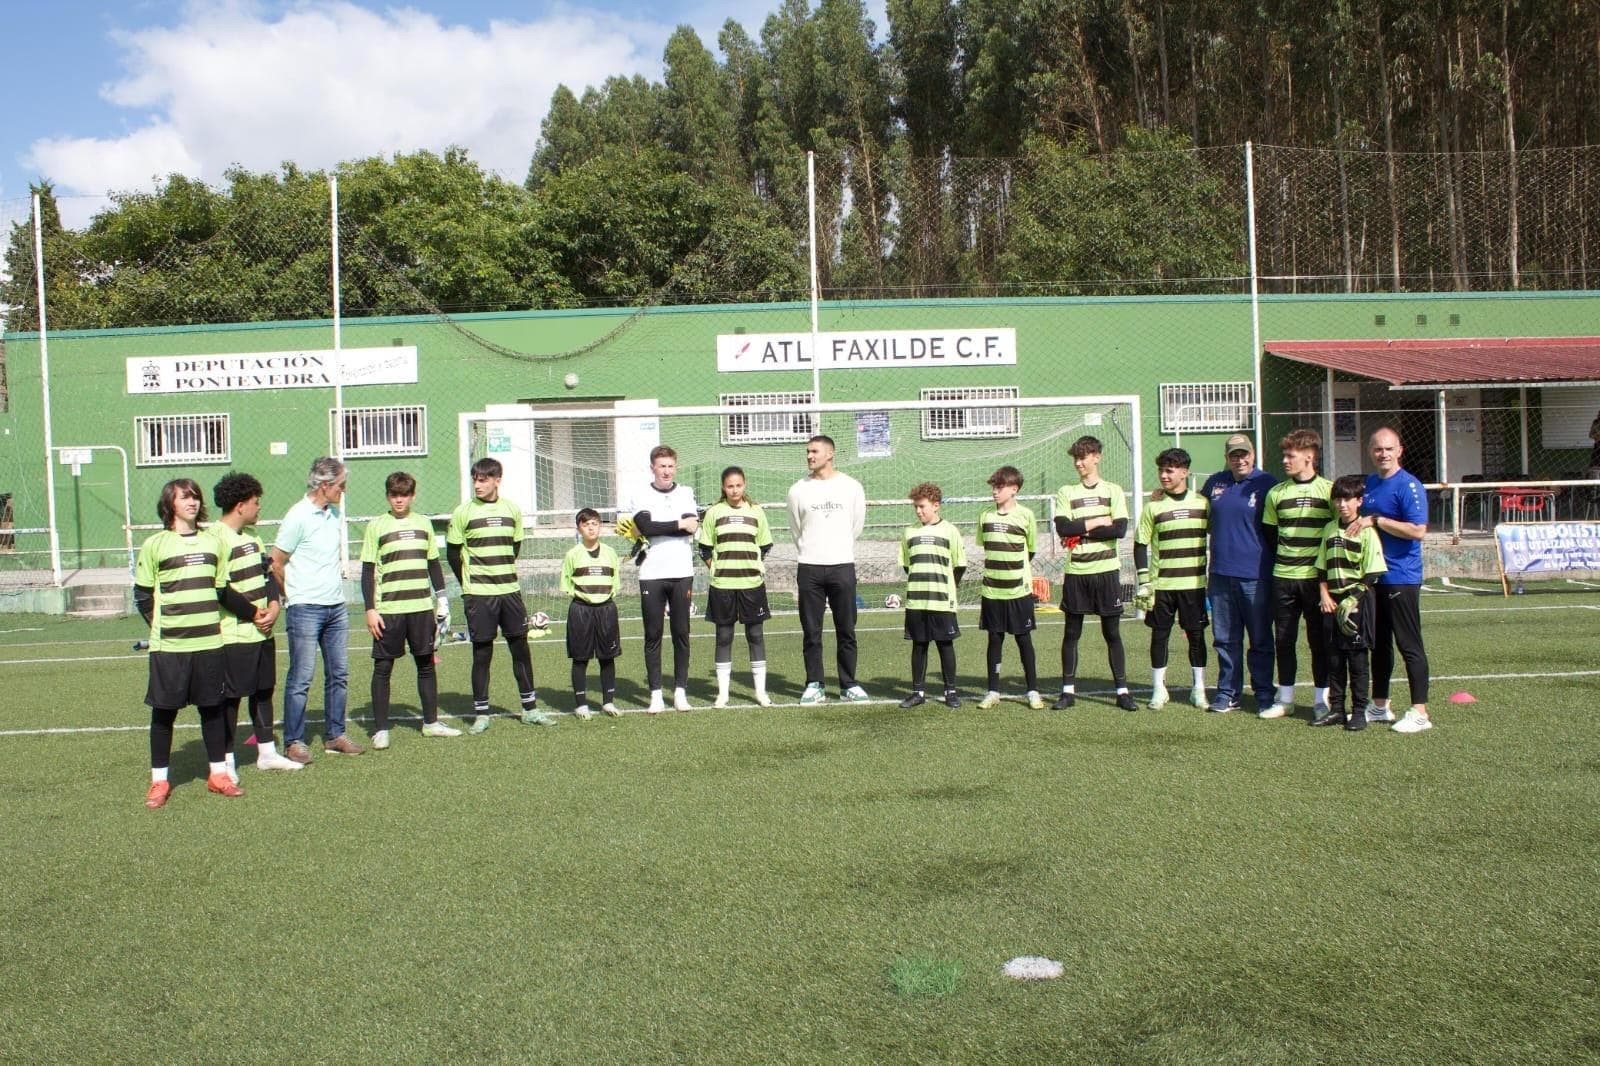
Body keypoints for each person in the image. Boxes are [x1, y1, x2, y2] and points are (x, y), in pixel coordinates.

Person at [136, 479, 254, 806]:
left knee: (213, 710)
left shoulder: (213, 543)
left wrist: (254, 612)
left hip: (209, 645)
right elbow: (142, 596)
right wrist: (162, 626)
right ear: (169, 504)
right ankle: (159, 781)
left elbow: (220, 590)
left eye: (195, 497)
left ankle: (218, 774)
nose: (192, 501)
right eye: (184, 497)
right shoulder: (155, 545)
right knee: (164, 714)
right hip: (170, 648)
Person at [447, 457, 552, 730]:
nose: (477, 485)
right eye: (475, 480)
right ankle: (482, 713)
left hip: (510, 592)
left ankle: (530, 709)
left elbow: (514, 547)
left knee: (521, 650)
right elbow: (452, 553)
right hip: (479, 594)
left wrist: (500, 572)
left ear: (497, 480)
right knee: (482, 653)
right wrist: (468, 583)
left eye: (483, 480)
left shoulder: (512, 510)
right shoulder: (463, 512)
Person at [270, 457, 362, 761]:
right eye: (340, 485)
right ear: (324, 485)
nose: (344, 490)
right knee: (302, 677)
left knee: (339, 674)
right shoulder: (297, 516)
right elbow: (276, 562)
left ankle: (336, 735)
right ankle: (293, 741)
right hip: (305, 609)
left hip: (336, 607)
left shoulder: (333, 514)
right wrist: (292, 595)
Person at [361, 471, 459, 748]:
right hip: (389, 610)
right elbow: (368, 572)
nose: (399, 500)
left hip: (420, 608)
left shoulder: (424, 524)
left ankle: (430, 723)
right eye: (394, 495)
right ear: (388, 496)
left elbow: (433, 564)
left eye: (404, 495)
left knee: (426, 665)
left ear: (412, 496)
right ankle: (381, 729)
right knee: (383, 668)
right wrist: (370, 609)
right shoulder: (376, 526)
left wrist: (442, 599)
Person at [210, 472, 299, 776]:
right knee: (231, 697)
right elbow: (219, 588)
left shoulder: (254, 538)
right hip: (234, 635)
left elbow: (267, 574)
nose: (259, 508)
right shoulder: (214, 538)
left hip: (263, 632)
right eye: (255, 502)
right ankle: (225, 762)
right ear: (239, 505)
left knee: (263, 690)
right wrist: (252, 613)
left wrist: (274, 605)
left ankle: (267, 752)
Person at [1351, 426, 1433, 733]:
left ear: (1399, 450)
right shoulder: (1370, 484)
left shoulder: (1408, 485)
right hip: (1375, 578)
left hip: (1401, 577)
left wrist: (1378, 520)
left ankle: (1420, 712)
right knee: (1380, 644)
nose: (1383, 454)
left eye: (1388, 449)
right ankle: (1381, 705)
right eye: (1377, 449)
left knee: (1409, 645)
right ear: (1370, 451)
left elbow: (1418, 530)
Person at [1052, 436, 1136, 711]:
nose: (1078, 462)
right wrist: (1099, 520)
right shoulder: (1067, 492)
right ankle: (1067, 692)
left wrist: (1082, 528)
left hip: (1106, 570)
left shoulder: (1113, 490)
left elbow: (1119, 529)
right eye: (1076, 458)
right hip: (1076, 571)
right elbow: (1064, 528)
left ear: (1097, 457)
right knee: (1071, 632)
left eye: (1083, 457)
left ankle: (1122, 692)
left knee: (1112, 633)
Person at [788, 435, 869, 705]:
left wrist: (838, 549)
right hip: (809, 568)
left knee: (846, 628)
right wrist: (811, 551)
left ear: (830, 454)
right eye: (808, 452)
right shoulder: (797, 490)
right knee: (812, 631)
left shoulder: (852, 487)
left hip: (842, 566)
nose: (810, 456)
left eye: (815, 451)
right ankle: (814, 684)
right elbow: (796, 529)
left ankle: (849, 684)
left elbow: (856, 526)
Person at [1200, 433, 1278, 713]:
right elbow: (1199, 514)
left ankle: (1264, 693)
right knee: (1225, 639)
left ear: (1253, 454)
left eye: (1244, 453)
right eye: (1234, 454)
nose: (1240, 459)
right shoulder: (1215, 483)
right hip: (1220, 573)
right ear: (1226, 457)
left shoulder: (1268, 484)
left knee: (1259, 638)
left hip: (1256, 575)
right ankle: (1228, 692)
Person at [1260, 429, 1333, 721]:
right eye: (1285, 455)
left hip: (1316, 581)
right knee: (1284, 639)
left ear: (1309, 457)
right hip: (1283, 578)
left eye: (1291, 455)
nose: (1285, 460)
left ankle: (1321, 700)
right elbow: (1270, 534)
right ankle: (1286, 698)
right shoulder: (1276, 493)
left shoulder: (1329, 491)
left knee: (1319, 641)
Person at [622, 445, 699, 713]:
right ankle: (656, 694)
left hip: (681, 573)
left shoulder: (687, 493)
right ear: (652, 468)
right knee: (653, 634)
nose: (666, 471)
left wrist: (667, 526)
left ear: (675, 467)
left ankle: (680, 691)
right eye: (661, 466)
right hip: (651, 574)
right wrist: (677, 525)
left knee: (681, 633)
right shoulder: (640, 493)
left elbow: (693, 527)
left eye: (670, 466)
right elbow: (647, 528)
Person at [1133, 448, 1210, 710]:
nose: (1164, 476)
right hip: (1162, 587)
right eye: (1161, 470)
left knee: (1197, 637)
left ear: (1185, 472)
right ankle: (1159, 689)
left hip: (1194, 585)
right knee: (1159, 636)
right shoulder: (1153, 507)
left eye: (1170, 470)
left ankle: (1198, 689)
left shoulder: (1202, 503)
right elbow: (1140, 544)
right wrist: (1144, 581)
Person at [1313, 475, 1388, 730]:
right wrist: (1324, 594)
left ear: (1359, 501)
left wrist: (1354, 597)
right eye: (1338, 499)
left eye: (1348, 499)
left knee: (1356, 659)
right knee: (1333, 658)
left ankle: (1358, 711)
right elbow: (1321, 567)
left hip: (1357, 603)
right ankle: (1336, 709)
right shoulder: (1329, 529)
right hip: (1331, 603)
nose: (1342, 504)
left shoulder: (1366, 531)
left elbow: (1374, 570)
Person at [698, 466, 774, 708]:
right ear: (723, 487)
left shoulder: (756, 512)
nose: (734, 490)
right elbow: (705, 549)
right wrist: (717, 569)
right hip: (722, 586)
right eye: (730, 486)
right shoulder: (714, 512)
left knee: (755, 635)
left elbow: (764, 546)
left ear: (745, 485)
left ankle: (760, 693)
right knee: (723, 636)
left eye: (738, 485)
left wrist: (751, 565)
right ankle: (723, 694)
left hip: (752, 584)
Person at [976, 466, 1044, 710]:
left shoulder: (1026, 516)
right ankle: (993, 691)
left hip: (1018, 591)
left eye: (999, 487)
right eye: (993, 486)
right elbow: (985, 545)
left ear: (1014, 489)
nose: (994, 491)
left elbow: (1031, 550)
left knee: (1023, 640)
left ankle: (1032, 690)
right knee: (994, 640)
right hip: (992, 591)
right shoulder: (985, 516)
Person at [897, 483, 966, 708]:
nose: (918, 511)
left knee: (945, 645)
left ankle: (951, 691)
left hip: (942, 601)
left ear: (936, 506)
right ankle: (918, 692)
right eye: (916, 507)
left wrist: (946, 587)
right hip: (916, 600)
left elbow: (959, 565)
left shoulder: (950, 531)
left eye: (922, 506)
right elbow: (908, 565)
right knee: (919, 645)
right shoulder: (909, 532)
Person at [560, 508, 622, 720]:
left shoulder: (611, 553)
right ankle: (581, 705)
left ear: (600, 526)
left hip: (606, 609)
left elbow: (615, 582)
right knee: (580, 658)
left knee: (607, 657)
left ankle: (608, 702)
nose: (591, 528)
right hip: (581, 609)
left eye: (594, 523)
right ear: (579, 528)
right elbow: (567, 584)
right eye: (586, 524)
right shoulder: (572, 555)